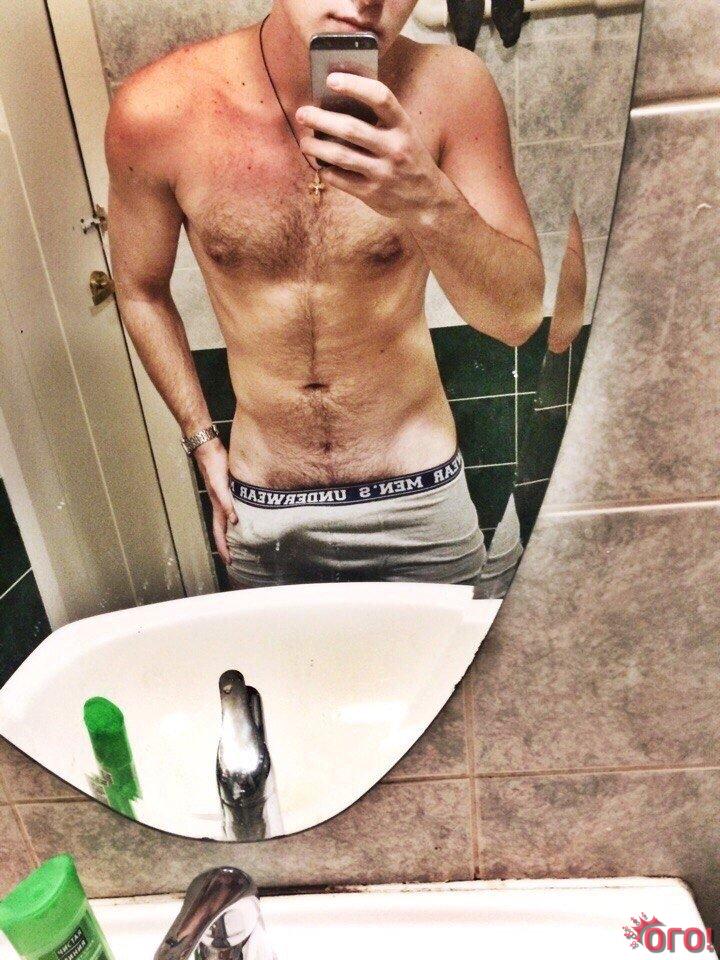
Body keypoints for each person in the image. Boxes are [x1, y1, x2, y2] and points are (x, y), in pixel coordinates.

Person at [105, 0, 544, 588]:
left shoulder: (454, 89)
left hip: (419, 500)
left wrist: (427, 199)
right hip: (265, 509)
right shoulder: (158, 109)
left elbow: (517, 317)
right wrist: (203, 441)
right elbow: (140, 291)